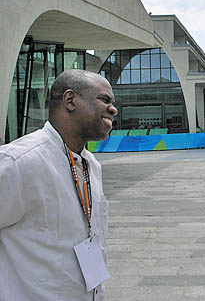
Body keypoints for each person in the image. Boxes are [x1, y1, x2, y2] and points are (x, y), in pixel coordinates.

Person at [0, 69, 117, 300]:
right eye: (104, 100)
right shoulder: (20, 162)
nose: (113, 109)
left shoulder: (90, 164)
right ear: (70, 100)